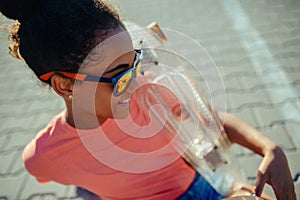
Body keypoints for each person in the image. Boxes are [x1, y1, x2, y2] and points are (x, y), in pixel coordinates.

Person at [0, 0, 296, 199]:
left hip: (203, 187)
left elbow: (211, 122)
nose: (136, 81)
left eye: (135, 63)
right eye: (119, 75)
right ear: (65, 84)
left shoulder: (152, 94)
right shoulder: (42, 157)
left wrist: (270, 148)